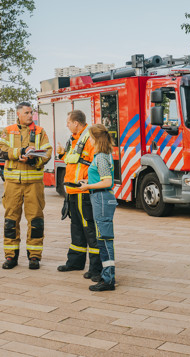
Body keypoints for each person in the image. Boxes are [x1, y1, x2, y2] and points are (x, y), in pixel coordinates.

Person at [0, 101, 52, 269]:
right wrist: (19, 153)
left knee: (36, 220)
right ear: (18, 114)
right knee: (10, 220)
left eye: (31, 112)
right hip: (12, 184)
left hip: (34, 184)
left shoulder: (40, 131)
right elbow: (2, 151)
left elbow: (47, 152)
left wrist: (33, 159)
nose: (30, 115)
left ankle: (34, 256)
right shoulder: (8, 130)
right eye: (26, 113)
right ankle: (10, 256)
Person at [56, 109, 102, 280]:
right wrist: (62, 153)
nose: (67, 125)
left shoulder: (90, 138)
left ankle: (96, 268)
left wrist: (89, 183)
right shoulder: (74, 139)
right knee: (76, 228)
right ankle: (75, 262)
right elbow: (73, 161)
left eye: (68, 122)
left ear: (76, 123)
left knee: (90, 230)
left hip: (84, 191)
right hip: (73, 191)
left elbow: (96, 163)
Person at [76, 123, 117, 291]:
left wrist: (88, 186)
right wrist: (89, 182)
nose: (90, 141)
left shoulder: (100, 157)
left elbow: (107, 181)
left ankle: (108, 279)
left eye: (91, 138)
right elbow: (102, 178)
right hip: (101, 197)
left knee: (104, 239)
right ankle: (106, 275)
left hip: (101, 198)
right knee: (103, 238)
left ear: (96, 139)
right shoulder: (104, 155)